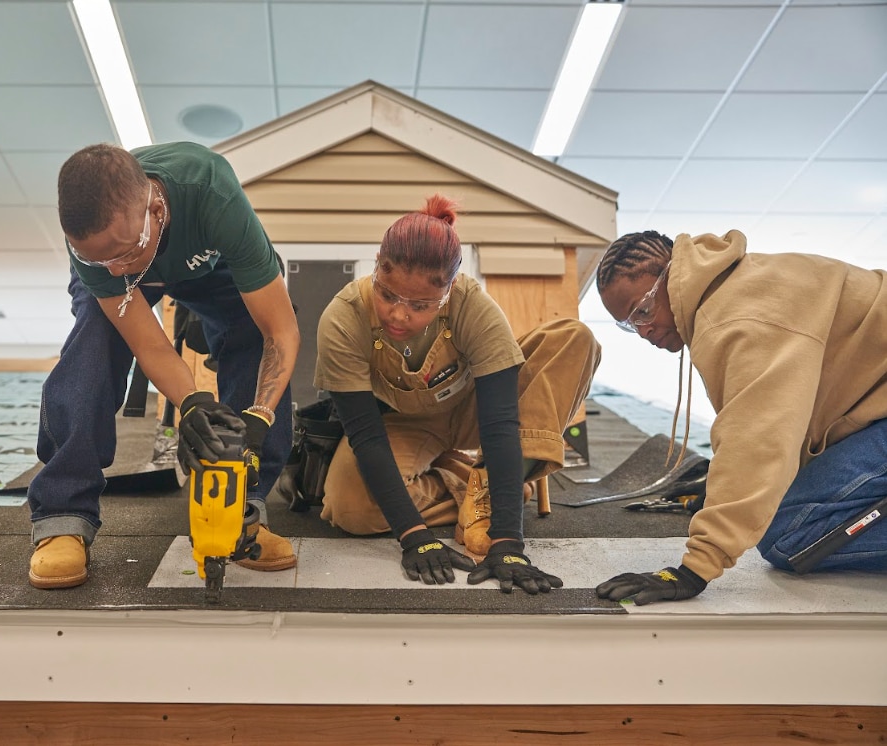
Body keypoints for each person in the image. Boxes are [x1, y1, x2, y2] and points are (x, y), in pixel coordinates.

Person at [26, 142, 300, 589]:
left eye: (123, 250)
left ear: (156, 207)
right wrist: (191, 403)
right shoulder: (97, 252)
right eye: (100, 260)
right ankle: (63, 515)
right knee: (94, 339)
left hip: (210, 265)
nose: (114, 269)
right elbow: (149, 346)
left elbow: (281, 332)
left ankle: (243, 511)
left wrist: (260, 416)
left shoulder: (212, 193)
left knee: (252, 329)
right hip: (135, 267)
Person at [312, 195, 601, 592]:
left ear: (449, 291)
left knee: (575, 338)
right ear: (378, 264)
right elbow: (365, 434)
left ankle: (499, 477)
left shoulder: (474, 307)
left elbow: (499, 425)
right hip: (399, 423)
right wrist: (414, 534)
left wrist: (508, 543)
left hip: (475, 411)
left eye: (421, 304)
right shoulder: (342, 318)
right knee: (349, 509)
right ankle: (468, 483)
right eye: (388, 294)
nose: (400, 314)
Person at [595, 229, 887, 605]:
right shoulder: (734, 290)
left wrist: (696, 567)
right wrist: (720, 487)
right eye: (629, 323)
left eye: (644, 311)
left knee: (789, 534)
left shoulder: (741, 319)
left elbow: (761, 440)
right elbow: (782, 420)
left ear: (671, 275)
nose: (644, 331)